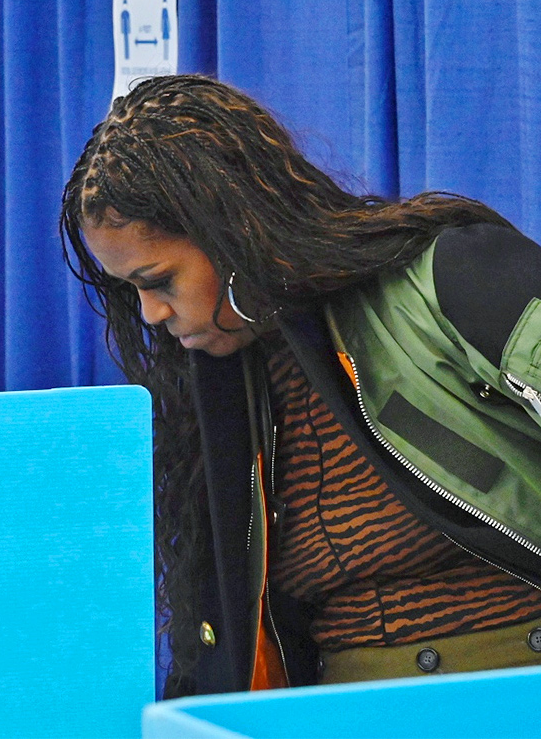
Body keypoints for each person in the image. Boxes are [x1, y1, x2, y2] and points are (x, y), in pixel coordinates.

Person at [60, 74, 541, 698]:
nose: (150, 313)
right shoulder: (221, 397)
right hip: (338, 713)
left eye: (158, 280)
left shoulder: (453, 277)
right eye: (131, 292)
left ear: (232, 233)